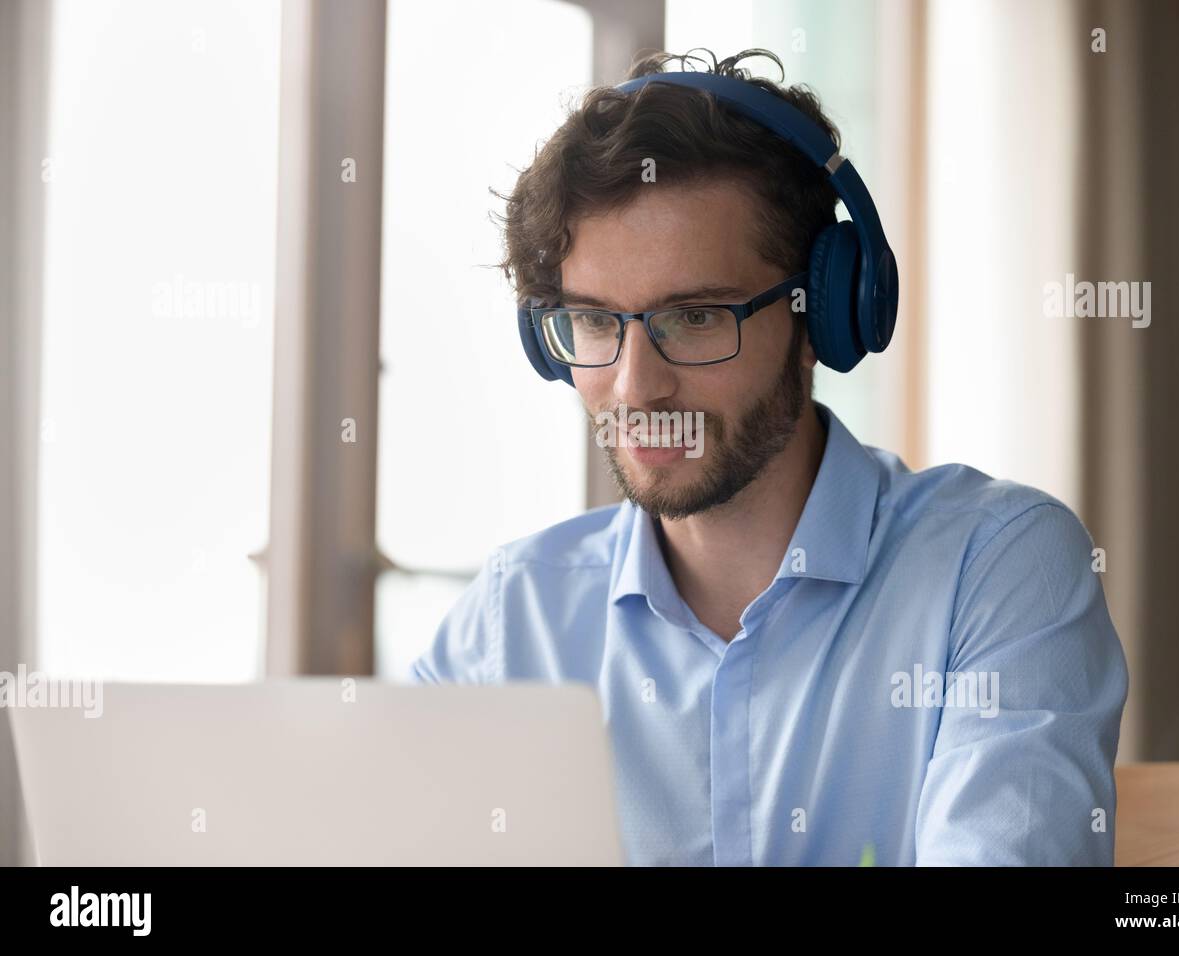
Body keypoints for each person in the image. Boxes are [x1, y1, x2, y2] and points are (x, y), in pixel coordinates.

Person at [408, 48, 1128, 866]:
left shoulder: (993, 568)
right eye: (596, 323)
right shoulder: (513, 621)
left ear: (826, 312)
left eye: (699, 317)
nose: (635, 388)